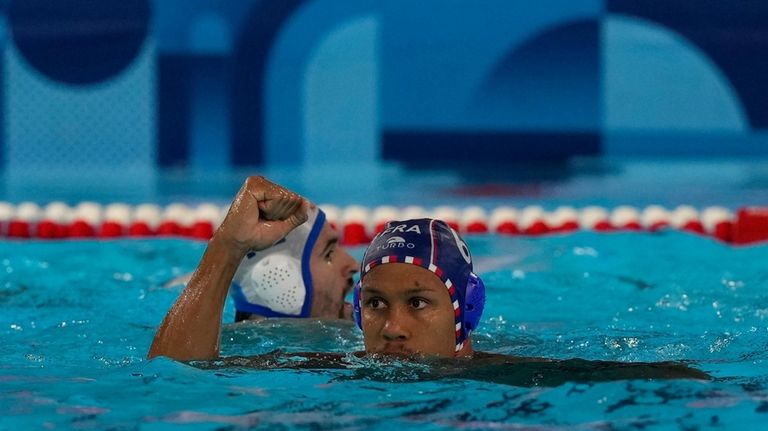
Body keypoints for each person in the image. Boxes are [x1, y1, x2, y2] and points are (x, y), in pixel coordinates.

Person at [149, 176, 710, 386]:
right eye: (373, 304)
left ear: (464, 314)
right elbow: (175, 374)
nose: (392, 328)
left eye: (418, 302)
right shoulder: (330, 370)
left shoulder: (526, 379)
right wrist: (226, 247)